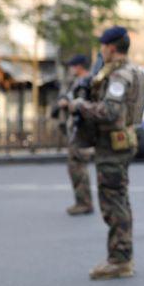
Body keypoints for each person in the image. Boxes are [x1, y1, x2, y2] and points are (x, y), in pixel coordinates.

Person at [68, 26, 144, 280]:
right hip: (121, 142)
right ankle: (123, 255)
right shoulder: (132, 71)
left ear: (111, 48)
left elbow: (110, 112)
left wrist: (81, 106)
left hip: (113, 145)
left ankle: (119, 260)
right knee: (119, 199)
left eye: (103, 46)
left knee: (113, 202)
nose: (101, 50)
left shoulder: (119, 76)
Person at [54, 53, 95, 215]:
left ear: (79, 66)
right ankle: (82, 201)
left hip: (82, 131)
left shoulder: (86, 83)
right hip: (76, 131)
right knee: (75, 167)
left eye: (72, 66)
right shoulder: (78, 82)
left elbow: (84, 105)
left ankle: (84, 202)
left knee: (78, 167)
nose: (70, 69)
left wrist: (68, 103)